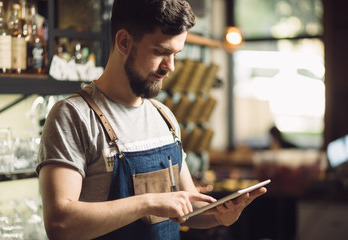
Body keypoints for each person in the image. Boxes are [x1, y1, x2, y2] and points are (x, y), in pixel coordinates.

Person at [36, 0, 267, 239]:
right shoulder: (73, 116)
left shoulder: (164, 116)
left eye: (176, 54)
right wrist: (149, 203)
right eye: (161, 52)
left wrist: (220, 215)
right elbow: (59, 224)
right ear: (124, 42)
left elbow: (187, 209)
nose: (171, 67)